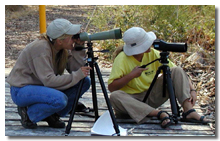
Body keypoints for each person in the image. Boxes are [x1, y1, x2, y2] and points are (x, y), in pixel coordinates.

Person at [108, 27, 209, 128]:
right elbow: (112, 88)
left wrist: (192, 90)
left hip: (150, 95)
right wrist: (131, 75)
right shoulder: (122, 58)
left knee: (176, 70)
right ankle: (158, 113)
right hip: (131, 102)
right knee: (115, 96)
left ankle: (188, 111)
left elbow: (178, 72)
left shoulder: (153, 53)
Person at [6, 18, 91, 129]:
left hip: (42, 88)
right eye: (72, 36)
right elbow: (49, 81)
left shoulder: (63, 48)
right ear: (60, 40)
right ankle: (28, 113)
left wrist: (79, 49)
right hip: (22, 90)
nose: (75, 38)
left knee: (84, 81)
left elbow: (77, 71)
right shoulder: (41, 48)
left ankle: (52, 115)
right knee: (60, 99)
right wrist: (77, 75)